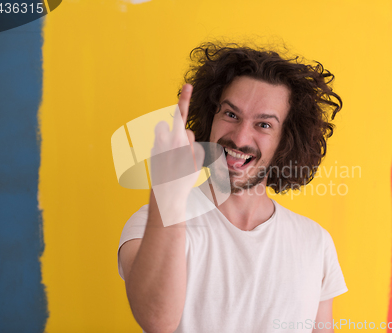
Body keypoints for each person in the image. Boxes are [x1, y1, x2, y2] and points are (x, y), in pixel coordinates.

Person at [117, 41, 347, 333]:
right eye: (230, 114)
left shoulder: (315, 242)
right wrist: (169, 194)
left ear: (285, 140)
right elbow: (156, 321)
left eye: (263, 125)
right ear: (211, 118)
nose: (239, 138)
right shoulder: (151, 222)